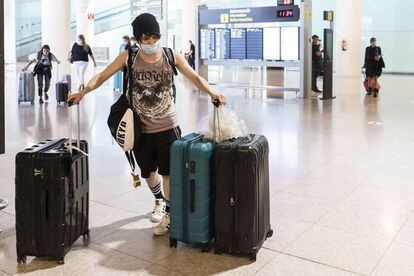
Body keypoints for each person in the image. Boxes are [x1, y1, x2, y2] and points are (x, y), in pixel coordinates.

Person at [68, 13, 226, 236]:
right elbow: (102, 76)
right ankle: (159, 200)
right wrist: (83, 92)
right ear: (137, 39)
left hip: (168, 126)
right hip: (140, 128)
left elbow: (195, 77)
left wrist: (212, 92)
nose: (151, 42)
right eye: (146, 37)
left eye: (154, 36)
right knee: (149, 173)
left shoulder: (171, 56)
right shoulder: (129, 58)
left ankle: (169, 214)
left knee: (169, 173)